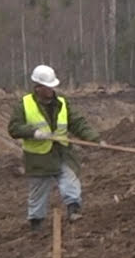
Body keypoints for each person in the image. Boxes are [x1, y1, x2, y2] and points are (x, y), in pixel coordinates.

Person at [7, 64, 101, 232]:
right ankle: (36, 222)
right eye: (48, 87)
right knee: (38, 191)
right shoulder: (24, 105)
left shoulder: (62, 103)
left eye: (52, 86)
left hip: (62, 152)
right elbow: (14, 128)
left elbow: (78, 123)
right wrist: (33, 132)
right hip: (39, 157)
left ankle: (74, 210)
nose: (51, 90)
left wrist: (94, 139)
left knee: (70, 180)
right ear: (37, 87)